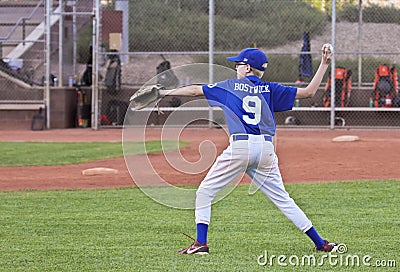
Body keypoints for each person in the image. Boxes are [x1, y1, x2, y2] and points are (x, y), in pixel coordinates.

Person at [158, 44, 337, 255]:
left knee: (205, 192)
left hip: (241, 146)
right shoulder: (271, 89)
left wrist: (164, 92)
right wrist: (324, 64)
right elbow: (309, 92)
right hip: (266, 149)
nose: (236, 68)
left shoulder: (230, 86)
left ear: (248, 68)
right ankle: (321, 244)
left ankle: (201, 243)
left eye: (239, 64)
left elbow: (195, 89)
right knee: (284, 200)